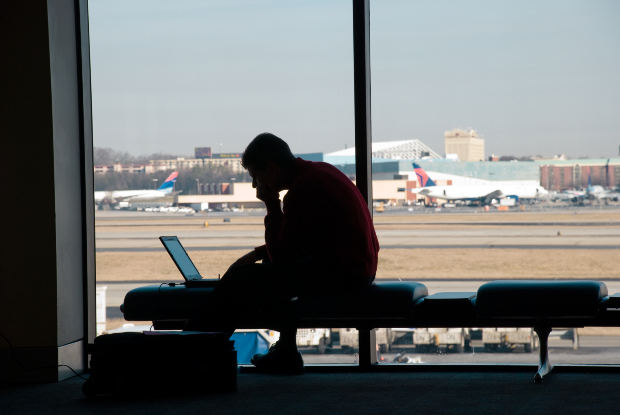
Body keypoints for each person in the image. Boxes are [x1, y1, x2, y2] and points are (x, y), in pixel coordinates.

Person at [215, 132, 379, 374]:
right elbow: (302, 241)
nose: (254, 185)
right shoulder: (320, 173)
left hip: (346, 275)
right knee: (263, 274)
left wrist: (271, 204)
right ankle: (284, 351)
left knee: (242, 280)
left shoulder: (303, 191)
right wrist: (257, 254)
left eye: (255, 176)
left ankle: (202, 347)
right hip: (355, 267)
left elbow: (283, 258)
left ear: (271, 168)